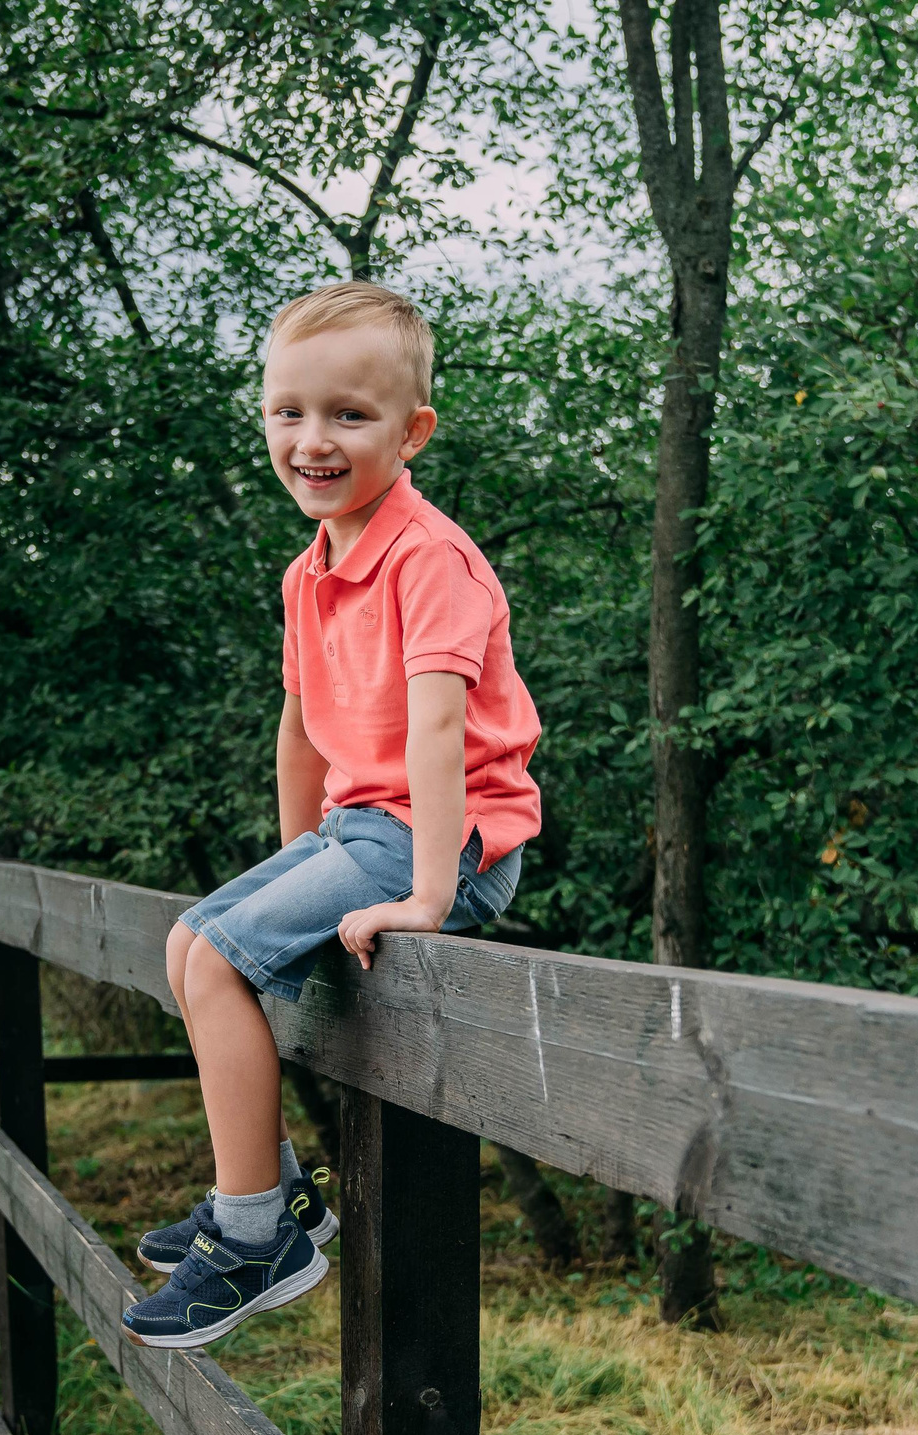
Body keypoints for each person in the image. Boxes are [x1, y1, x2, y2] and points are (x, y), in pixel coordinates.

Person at [122, 282, 543, 1351]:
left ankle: (261, 1237)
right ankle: (270, 1199)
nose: (313, 439)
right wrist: (290, 865)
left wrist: (430, 894)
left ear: (412, 431)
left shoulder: (425, 557)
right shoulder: (310, 572)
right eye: (288, 411)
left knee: (217, 960)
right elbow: (301, 734)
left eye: (349, 416)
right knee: (189, 943)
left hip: (442, 840)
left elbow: (439, 729)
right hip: (358, 833)